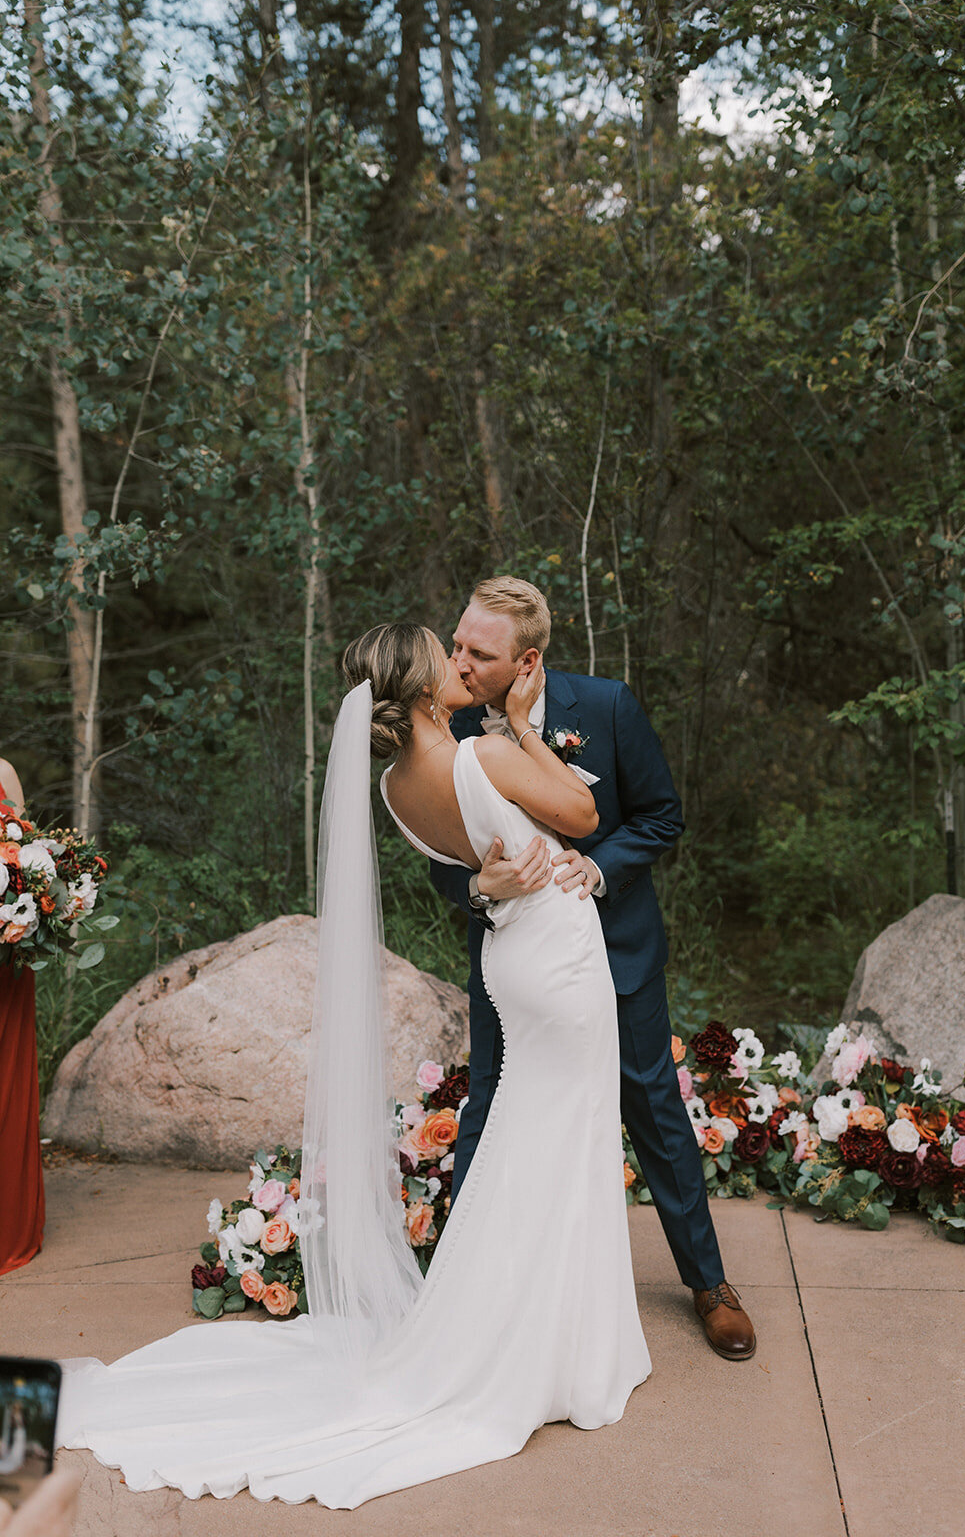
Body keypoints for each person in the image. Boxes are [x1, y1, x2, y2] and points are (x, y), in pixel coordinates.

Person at [57, 623, 650, 1509]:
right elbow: (583, 813)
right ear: (415, 689)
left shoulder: (392, 784)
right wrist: (523, 722)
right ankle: (553, 1350)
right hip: (558, 968)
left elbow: (473, 873)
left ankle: (535, 1333)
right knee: (559, 1142)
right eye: (440, 657)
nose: (458, 664)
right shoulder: (485, 754)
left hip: (510, 963)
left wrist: (489, 883)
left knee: (532, 1142)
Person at [432, 577, 756, 1359]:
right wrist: (478, 885)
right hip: (511, 959)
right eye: (456, 645)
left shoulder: (605, 707)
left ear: (527, 660)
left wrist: (599, 868)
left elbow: (660, 816)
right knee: (489, 1104)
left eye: (479, 652)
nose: (459, 662)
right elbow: (439, 852)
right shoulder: (447, 727)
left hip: (616, 953)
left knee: (652, 1106)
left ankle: (708, 1284)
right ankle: (452, 1287)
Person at [0, 757, 46, 1277]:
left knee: (6, 1089)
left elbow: (31, 861)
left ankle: (10, 1226)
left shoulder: (6, 773)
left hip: (5, 957)